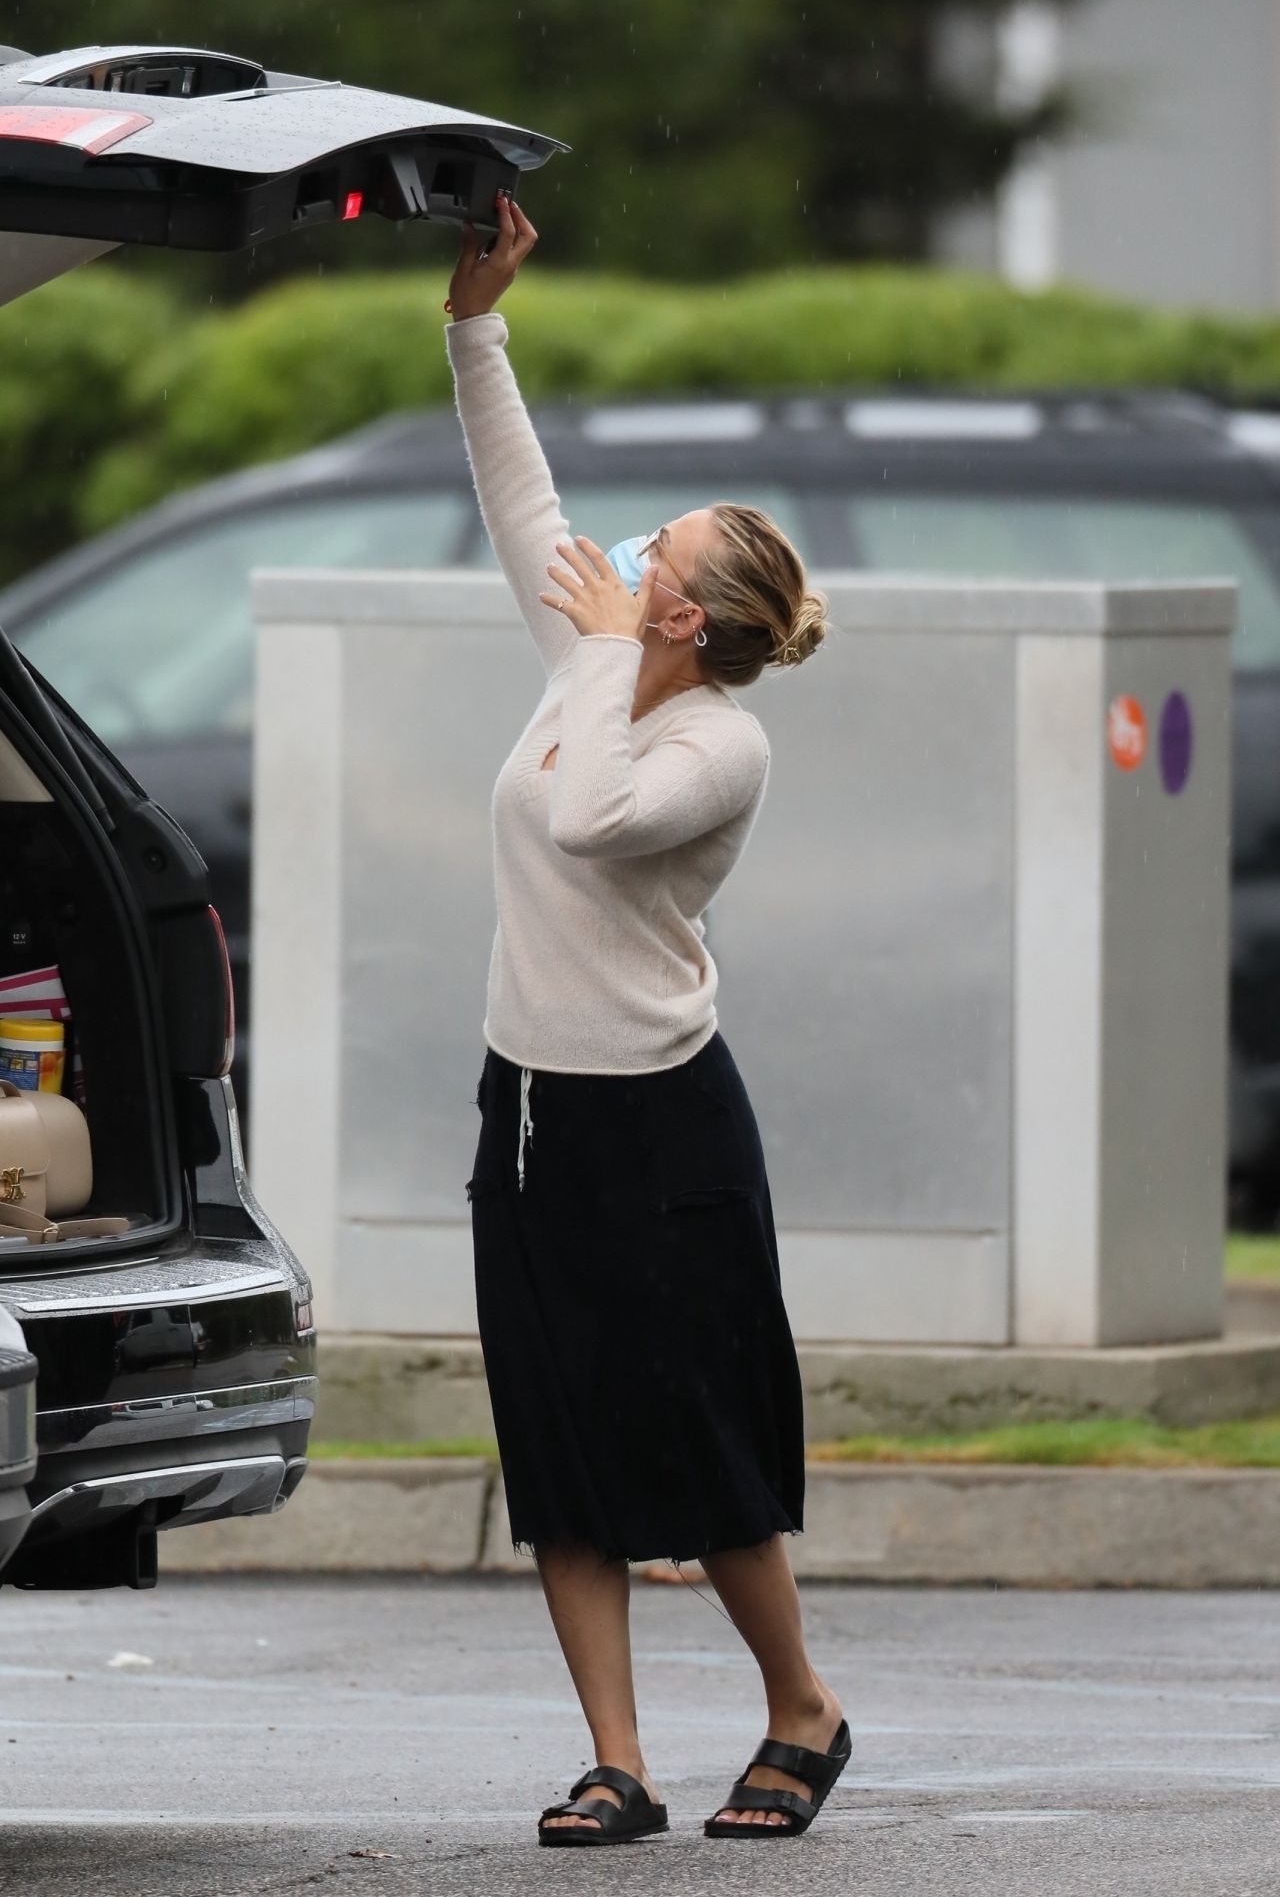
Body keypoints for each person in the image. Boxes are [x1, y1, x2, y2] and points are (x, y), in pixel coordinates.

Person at [446, 191, 848, 1847]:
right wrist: (476, 323)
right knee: (558, 1439)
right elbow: (519, 492)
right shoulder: (594, 664)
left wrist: (606, 661)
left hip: (662, 1122)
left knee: (696, 1436)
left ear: (686, 616)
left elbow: (603, 821)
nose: (621, 556)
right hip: (530, 1107)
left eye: (653, 559)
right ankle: (616, 1758)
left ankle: (802, 1710)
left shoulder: (714, 745)